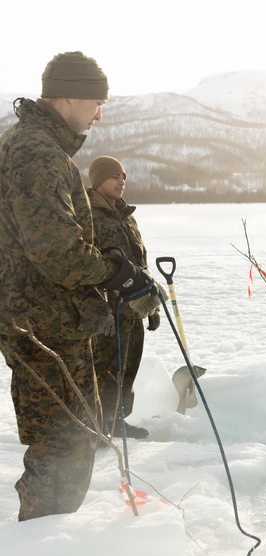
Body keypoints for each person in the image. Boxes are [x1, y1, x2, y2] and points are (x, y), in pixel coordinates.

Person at [0, 52, 160, 521]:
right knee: (64, 450)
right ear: (68, 95)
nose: (99, 113)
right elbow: (55, 250)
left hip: (45, 319)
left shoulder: (30, 145)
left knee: (63, 444)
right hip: (45, 325)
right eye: (96, 101)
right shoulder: (37, 152)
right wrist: (118, 274)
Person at [88, 156, 160, 440]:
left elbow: (140, 260)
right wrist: (97, 307)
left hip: (133, 307)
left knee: (128, 367)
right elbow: (86, 263)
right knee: (106, 368)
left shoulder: (127, 217)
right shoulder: (88, 215)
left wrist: (150, 305)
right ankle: (99, 427)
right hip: (108, 309)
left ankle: (117, 421)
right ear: (98, 180)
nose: (121, 182)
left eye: (124, 177)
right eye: (114, 176)